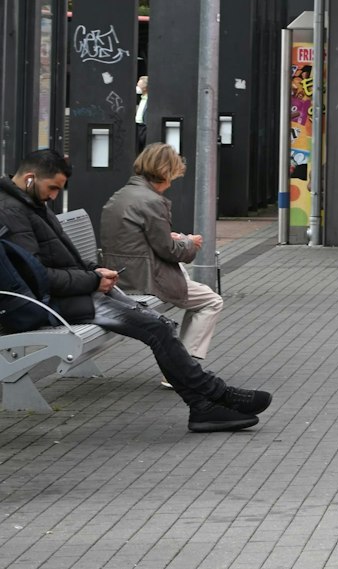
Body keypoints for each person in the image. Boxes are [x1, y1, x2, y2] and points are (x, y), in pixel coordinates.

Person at [0, 149, 269, 432]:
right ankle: (215, 397)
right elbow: (37, 276)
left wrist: (94, 272)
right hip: (47, 304)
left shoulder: (29, 204)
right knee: (157, 329)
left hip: (68, 294)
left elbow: (62, 259)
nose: (54, 195)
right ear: (30, 178)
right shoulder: (11, 211)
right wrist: (92, 280)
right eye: (52, 187)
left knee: (159, 325)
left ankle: (205, 405)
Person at [100, 144, 227, 364]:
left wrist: (174, 238)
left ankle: (183, 363)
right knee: (211, 301)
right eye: (173, 176)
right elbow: (168, 251)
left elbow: (143, 239)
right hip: (144, 278)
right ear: (166, 173)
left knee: (199, 292)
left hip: (124, 271)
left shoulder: (122, 194)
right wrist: (189, 244)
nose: (171, 183)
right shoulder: (152, 201)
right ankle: (185, 366)